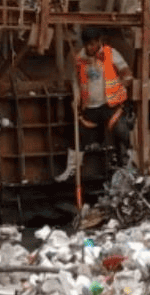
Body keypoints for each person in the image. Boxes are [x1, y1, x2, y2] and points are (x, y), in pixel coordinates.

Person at [57, 27, 133, 181]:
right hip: (91, 107)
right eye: (87, 45)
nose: (90, 48)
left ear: (99, 42)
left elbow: (127, 73)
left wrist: (122, 85)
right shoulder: (80, 58)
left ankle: (130, 164)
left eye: (93, 44)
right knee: (79, 136)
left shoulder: (111, 53)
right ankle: (71, 170)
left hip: (110, 105)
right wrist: (76, 98)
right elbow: (76, 82)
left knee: (122, 130)